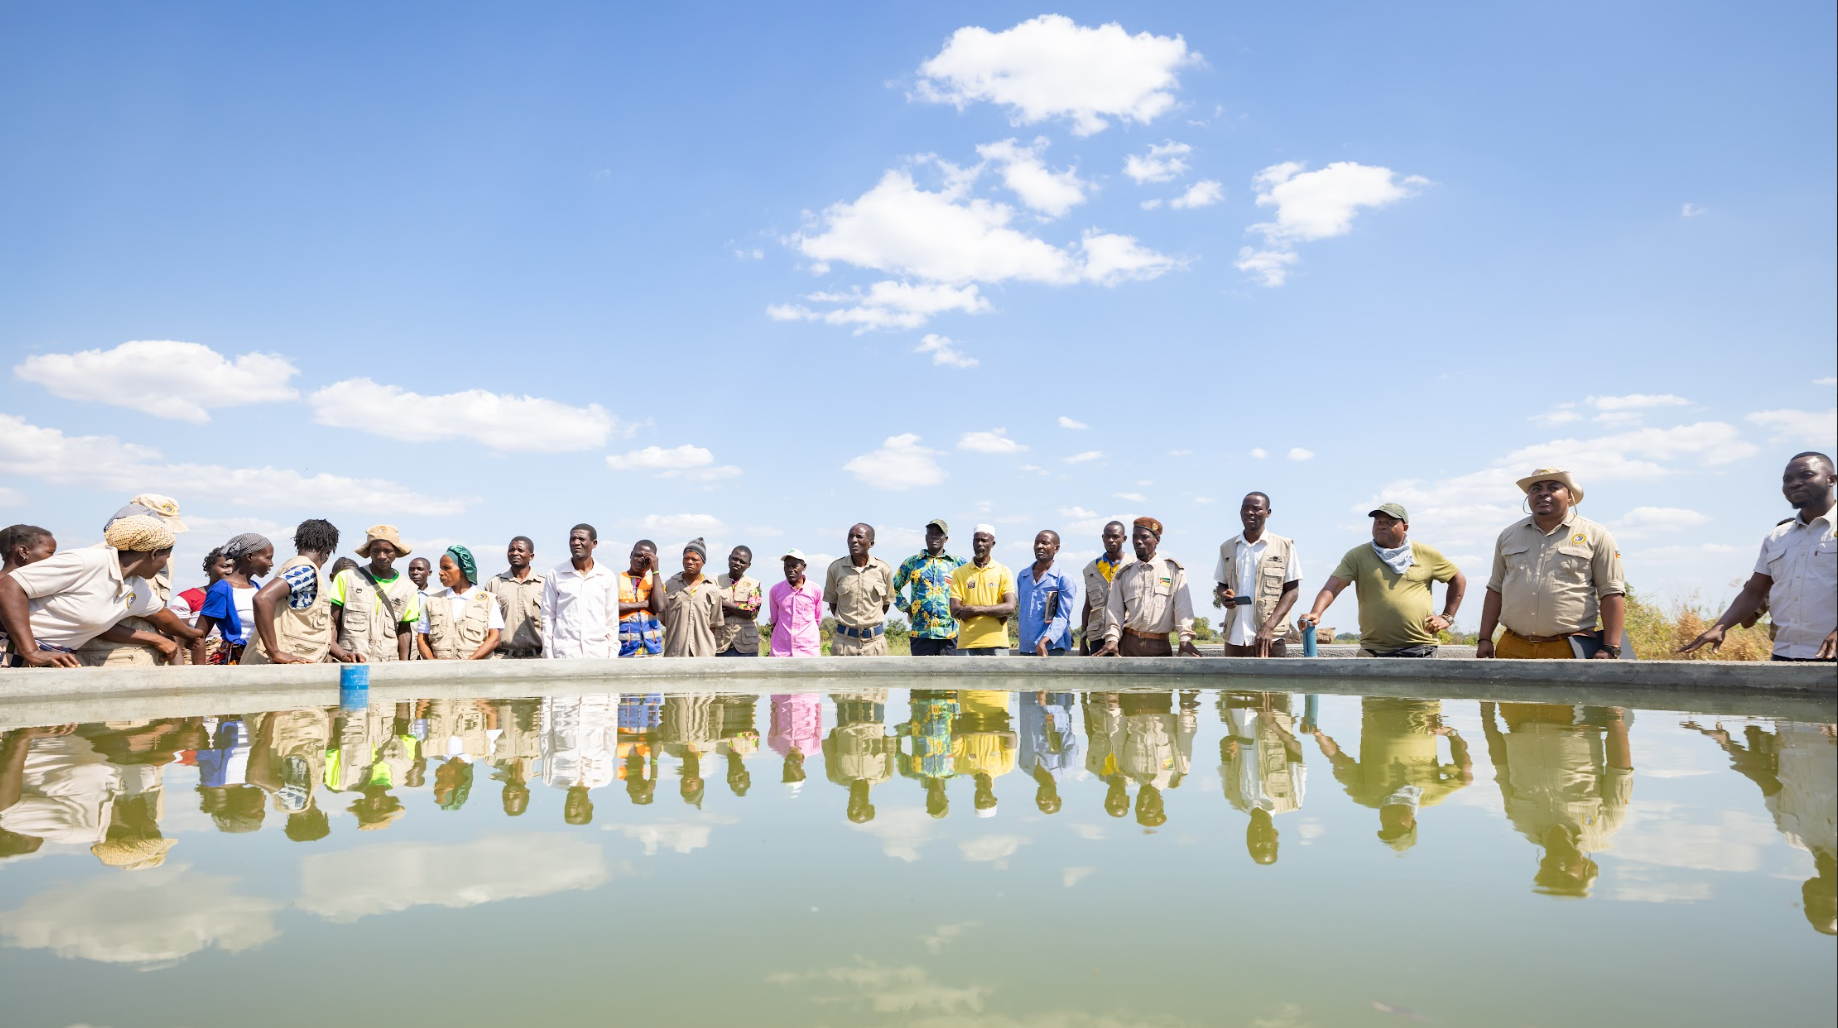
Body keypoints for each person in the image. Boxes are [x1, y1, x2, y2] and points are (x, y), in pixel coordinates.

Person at [1683, 717, 1836, 935]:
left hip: (1789, 720)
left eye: (1816, 905)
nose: (1822, 898)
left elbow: (1762, 777)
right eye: (1828, 907)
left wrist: (1727, 743)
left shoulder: (1792, 834)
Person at [1681, 452, 1837, 662]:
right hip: (1785, 655)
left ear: (1831, 480)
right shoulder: (1777, 536)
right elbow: (1754, 593)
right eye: (1787, 479)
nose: (1795, 483)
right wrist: (1720, 626)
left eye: (1806, 475)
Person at [1482, 701, 1631, 896]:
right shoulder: (1605, 827)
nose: (1559, 870)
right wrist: (1615, 716)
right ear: (1585, 868)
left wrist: (1487, 716)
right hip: (1574, 715)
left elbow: (1501, 765)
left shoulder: (1521, 822)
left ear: (1542, 866)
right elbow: (1619, 770)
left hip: (1517, 715)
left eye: (1551, 875)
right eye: (1568, 878)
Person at [1476, 468, 1626, 659]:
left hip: (1570, 647)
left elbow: (1611, 591)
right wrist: (1484, 639)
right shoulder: (1508, 536)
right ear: (1528, 498)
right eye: (1535, 489)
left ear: (1570, 497)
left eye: (1553, 487)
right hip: (1513, 646)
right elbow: (1495, 589)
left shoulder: (1597, 535)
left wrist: (1611, 647)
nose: (1543, 493)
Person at [0, 515, 181, 668]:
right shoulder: (86, 561)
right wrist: (31, 651)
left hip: (50, 656)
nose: (166, 563)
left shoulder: (134, 584)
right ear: (154, 553)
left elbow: (163, 616)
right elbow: (8, 587)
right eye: (167, 556)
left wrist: (192, 634)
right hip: (12, 648)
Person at [1298, 503, 1466, 658]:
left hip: (1420, 649)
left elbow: (1457, 579)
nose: (1382, 525)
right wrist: (1316, 612)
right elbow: (1333, 586)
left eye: (1390, 522)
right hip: (1374, 651)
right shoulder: (1357, 556)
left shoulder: (1425, 553)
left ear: (1405, 527)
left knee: (1418, 692)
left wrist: (1447, 617)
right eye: (1377, 522)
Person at [1313, 698, 1472, 853]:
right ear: (1413, 823)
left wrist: (1318, 735)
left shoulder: (1364, 795)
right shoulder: (1431, 797)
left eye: (1386, 828)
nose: (1390, 823)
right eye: (1398, 827)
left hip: (1377, 704)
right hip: (1423, 705)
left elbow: (1338, 760)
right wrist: (1452, 735)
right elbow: (1465, 778)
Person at [1093, 517, 1202, 657]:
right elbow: (1115, 612)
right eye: (1135, 537)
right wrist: (1112, 640)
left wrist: (1185, 639)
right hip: (1129, 644)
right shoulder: (1124, 574)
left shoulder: (1173, 571)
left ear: (1157, 540)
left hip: (1160, 646)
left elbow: (1183, 608)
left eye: (1144, 537)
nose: (1138, 541)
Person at [243, 519, 347, 665]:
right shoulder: (305, 572)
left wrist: (343, 655)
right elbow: (262, 598)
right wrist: (275, 652)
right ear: (328, 551)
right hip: (280, 667)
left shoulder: (292, 568)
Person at [1213, 492, 1301, 657]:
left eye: (1256, 508)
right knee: (1233, 683)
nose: (1249, 512)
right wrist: (1223, 595)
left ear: (1268, 513)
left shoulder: (1284, 546)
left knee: (1272, 683)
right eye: (1245, 508)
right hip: (1235, 638)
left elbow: (1293, 591)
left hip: (1270, 639)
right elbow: (1221, 584)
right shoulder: (1227, 547)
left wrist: (1269, 626)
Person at [330, 526, 421, 662]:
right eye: (376, 551)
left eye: (387, 551)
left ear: (396, 551)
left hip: (388, 664)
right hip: (350, 663)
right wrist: (335, 657)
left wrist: (403, 668)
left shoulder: (408, 588)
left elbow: (404, 632)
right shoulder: (347, 578)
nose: (381, 556)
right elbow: (332, 624)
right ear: (369, 552)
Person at [191, 533, 275, 664]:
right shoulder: (222, 589)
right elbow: (199, 635)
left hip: (257, 657)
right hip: (236, 662)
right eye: (268, 558)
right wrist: (200, 675)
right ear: (250, 556)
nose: (271, 564)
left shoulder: (256, 588)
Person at [541, 524, 620, 659]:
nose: (576, 543)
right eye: (572, 539)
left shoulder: (606, 576)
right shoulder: (555, 574)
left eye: (581, 539)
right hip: (565, 653)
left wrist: (612, 654)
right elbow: (548, 616)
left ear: (594, 544)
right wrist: (548, 653)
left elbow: (611, 620)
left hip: (598, 653)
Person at [420, 545, 505, 660]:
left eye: (446, 568)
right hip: (441, 672)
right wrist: (434, 665)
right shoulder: (432, 601)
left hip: (477, 671)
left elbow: (494, 638)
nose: (440, 572)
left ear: (464, 569)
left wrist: (469, 662)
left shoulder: (487, 600)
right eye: (441, 568)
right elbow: (422, 638)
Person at [894, 518, 964, 656]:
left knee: (949, 676)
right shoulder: (913, 562)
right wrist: (906, 608)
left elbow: (970, 589)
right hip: (921, 634)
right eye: (931, 533)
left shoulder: (958, 563)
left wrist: (962, 611)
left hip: (949, 635)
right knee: (922, 676)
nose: (934, 537)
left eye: (938, 534)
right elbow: (892, 588)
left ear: (946, 538)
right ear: (925, 537)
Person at [823, 690, 896, 823]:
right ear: (869, 806)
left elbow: (830, 743)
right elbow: (889, 743)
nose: (855, 806)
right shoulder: (884, 775)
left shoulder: (835, 776)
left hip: (845, 699)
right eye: (860, 809)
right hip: (873, 700)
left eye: (851, 809)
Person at [824, 523, 895, 656]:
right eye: (850, 536)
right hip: (844, 644)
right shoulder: (836, 568)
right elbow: (833, 603)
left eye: (859, 537)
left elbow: (885, 604)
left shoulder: (883, 569)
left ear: (871, 543)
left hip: (874, 644)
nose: (853, 540)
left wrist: (869, 626)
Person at [951, 525, 1017, 656]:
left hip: (997, 642)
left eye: (984, 540)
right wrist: (997, 611)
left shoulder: (1003, 571)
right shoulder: (960, 572)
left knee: (998, 677)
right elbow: (954, 610)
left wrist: (975, 610)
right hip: (967, 643)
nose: (980, 544)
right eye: (977, 540)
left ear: (992, 544)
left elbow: (1010, 607)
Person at [1017, 530, 1080, 656]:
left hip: (1050, 647)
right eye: (1037, 543)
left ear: (1056, 548)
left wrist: (1044, 641)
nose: (1039, 546)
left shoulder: (1062, 579)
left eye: (1045, 543)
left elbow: (1062, 616)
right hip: (1026, 647)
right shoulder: (1023, 576)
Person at [0, 525, 56, 667]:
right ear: (24, 551)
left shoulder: (34, 589)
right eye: (50, 553)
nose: (54, 560)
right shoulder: (7, 588)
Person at [660, 538, 725, 657]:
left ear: (703, 562)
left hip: (703, 653)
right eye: (686, 558)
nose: (689, 562)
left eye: (694, 559)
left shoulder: (712, 590)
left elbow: (713, 625)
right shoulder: (669, 585)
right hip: (675, 652)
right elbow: (664, 619)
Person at [1019, 690, 1079, 813]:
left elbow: (1024, 731)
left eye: (1039, 800)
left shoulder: (1025, 766)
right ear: (1058, 798)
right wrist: (1047, 705)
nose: (1042, 798)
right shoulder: (1064, 766)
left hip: (1027, 703)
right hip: (1053, 703)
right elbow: (1066, 732)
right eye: (1046, 800)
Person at [485, 536, 545, 658]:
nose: (515, 553)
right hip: (501, 657)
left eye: (520, 550)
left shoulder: (544, 584)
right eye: (511, 550)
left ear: (531, 556)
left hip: (537, 658)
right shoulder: (494, 583)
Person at [170, 547, 232, 664]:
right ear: (208, 569)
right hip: (197, 664)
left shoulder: (244, 597)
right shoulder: (188, 598)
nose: (230, 571)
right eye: (224, 566)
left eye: (234, 567)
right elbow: (176, 643)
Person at [1081, 521, 1130, 655]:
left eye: (1115, 536)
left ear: (1124, 539)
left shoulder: (1133, 566)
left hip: (1126, 634)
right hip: (1098, 635)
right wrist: (1082, 641)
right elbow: (1087, 605)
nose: (1110, 540)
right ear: (1102, 538)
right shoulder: (1091, 568)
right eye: (1107, 537)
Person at [768, 550, 824, 657]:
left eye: (794, 566)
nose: (790, 570)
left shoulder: (815, 589)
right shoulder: (775, 590)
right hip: (781, 651)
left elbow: (817, 619)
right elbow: (775, 620)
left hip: (808, 651)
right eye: (786, 566)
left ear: (804, 567)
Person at [617, 540, 665, 658]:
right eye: (637, 555)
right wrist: (644, 604)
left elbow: (659, 606)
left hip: (652, 651)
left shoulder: (655, 582)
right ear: (631, 555)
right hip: (624, 651)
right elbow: (611, 608)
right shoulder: (616, 579)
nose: (641, 560)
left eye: (646, 558)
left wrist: (655, 571)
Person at [714, 546, 763, 657]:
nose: (737, 563)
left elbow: (752, 613)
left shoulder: (754, 584)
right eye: (735, 559)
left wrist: (725, 604)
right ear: (729, 558)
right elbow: (711, 612)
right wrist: (742, 608)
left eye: (742, 561)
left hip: (747, 647)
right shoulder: (714, 582)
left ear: (748, 565)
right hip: (719, 644)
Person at [406, 556, 435, 657]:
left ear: (429, 573)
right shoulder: (401, 594)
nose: (415, 572)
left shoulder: (438, 596)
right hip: (406, 650)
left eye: (420, 569)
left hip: (430, 650)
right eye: (411, 569)